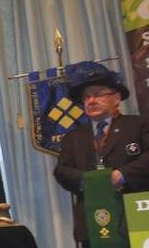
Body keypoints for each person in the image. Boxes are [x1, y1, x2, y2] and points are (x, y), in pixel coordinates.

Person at [53, 62, 149, 245]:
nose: (91, 101)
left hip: (137, 218)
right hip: (91, 224)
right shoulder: (73, 137)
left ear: (117, 98)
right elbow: (62, 170)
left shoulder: (140, 125)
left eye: (98, 95)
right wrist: (91, 181)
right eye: (86, 97)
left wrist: (122, 175)